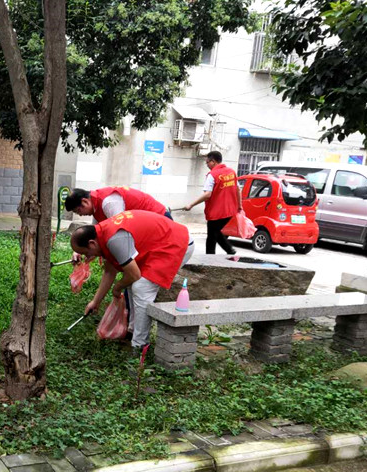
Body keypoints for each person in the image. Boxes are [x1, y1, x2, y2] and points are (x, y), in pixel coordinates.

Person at [71, 210, 194, 351]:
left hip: (177, 243)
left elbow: (134, 274)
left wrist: (117, 288)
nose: (88, 257)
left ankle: (139, 346)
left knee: (141, 287)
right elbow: (109, 271)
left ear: (92, 243)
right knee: (131, 284)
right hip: (163, 241)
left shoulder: (113, 239)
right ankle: (132, 331)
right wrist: (95, 302)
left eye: (86, 253)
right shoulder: (103, 233)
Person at [184, 150, 241, 254]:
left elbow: (207, 195)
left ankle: (210, 259)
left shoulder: (212, 175)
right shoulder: (231, 172)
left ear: (213, 161)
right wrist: (239, 206)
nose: (207, 165)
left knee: (211, 237)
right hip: (229, 211)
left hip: (216, 213)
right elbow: (237, 189)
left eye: (207, 162)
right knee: (215, 232)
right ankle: (230, 250)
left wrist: (191, 205)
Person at [64, 186, 171, 222]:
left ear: (85, 201)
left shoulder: (108, 203)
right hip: (148, 223)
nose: (80, 215)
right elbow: (96, 233)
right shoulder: (96, 206)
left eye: (78, 211)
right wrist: (80, 250)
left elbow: (119, 232)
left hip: (161, 218)